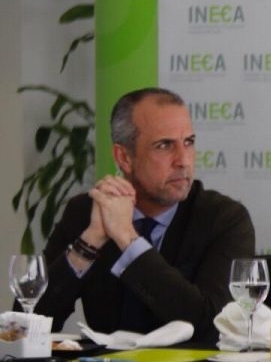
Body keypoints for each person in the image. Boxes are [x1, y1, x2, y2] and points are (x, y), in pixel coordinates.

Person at [33, 87, 255, 344]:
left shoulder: (224, 219)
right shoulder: (88, 211)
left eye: (189, 142)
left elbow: (212, 326)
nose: (183, 160)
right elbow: (28, 321)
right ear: (124, 157)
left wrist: (128, 239)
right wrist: (90, 242)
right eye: (164, 145)